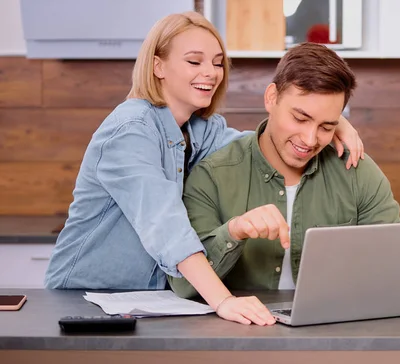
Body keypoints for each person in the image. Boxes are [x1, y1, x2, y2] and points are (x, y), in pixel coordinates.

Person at [44, 12, 364, 326]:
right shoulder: (130, 130)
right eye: (195, 61)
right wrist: (223, 300)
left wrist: (330, 121)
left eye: (217, 62)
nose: (210, 72)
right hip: (85, 297)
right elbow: (165, 224)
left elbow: (263, 145)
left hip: (147, 301)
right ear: (158, 66)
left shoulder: (202, 130)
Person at [168, 42, 400, 325]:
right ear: (271, 98)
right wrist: (234, 232)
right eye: (300, 118)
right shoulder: (212, 176)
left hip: (338, 334)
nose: (309, 139)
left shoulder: (357, 172)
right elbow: (183, 286)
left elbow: (394, 269)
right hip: (240, 339)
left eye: (327, 126)